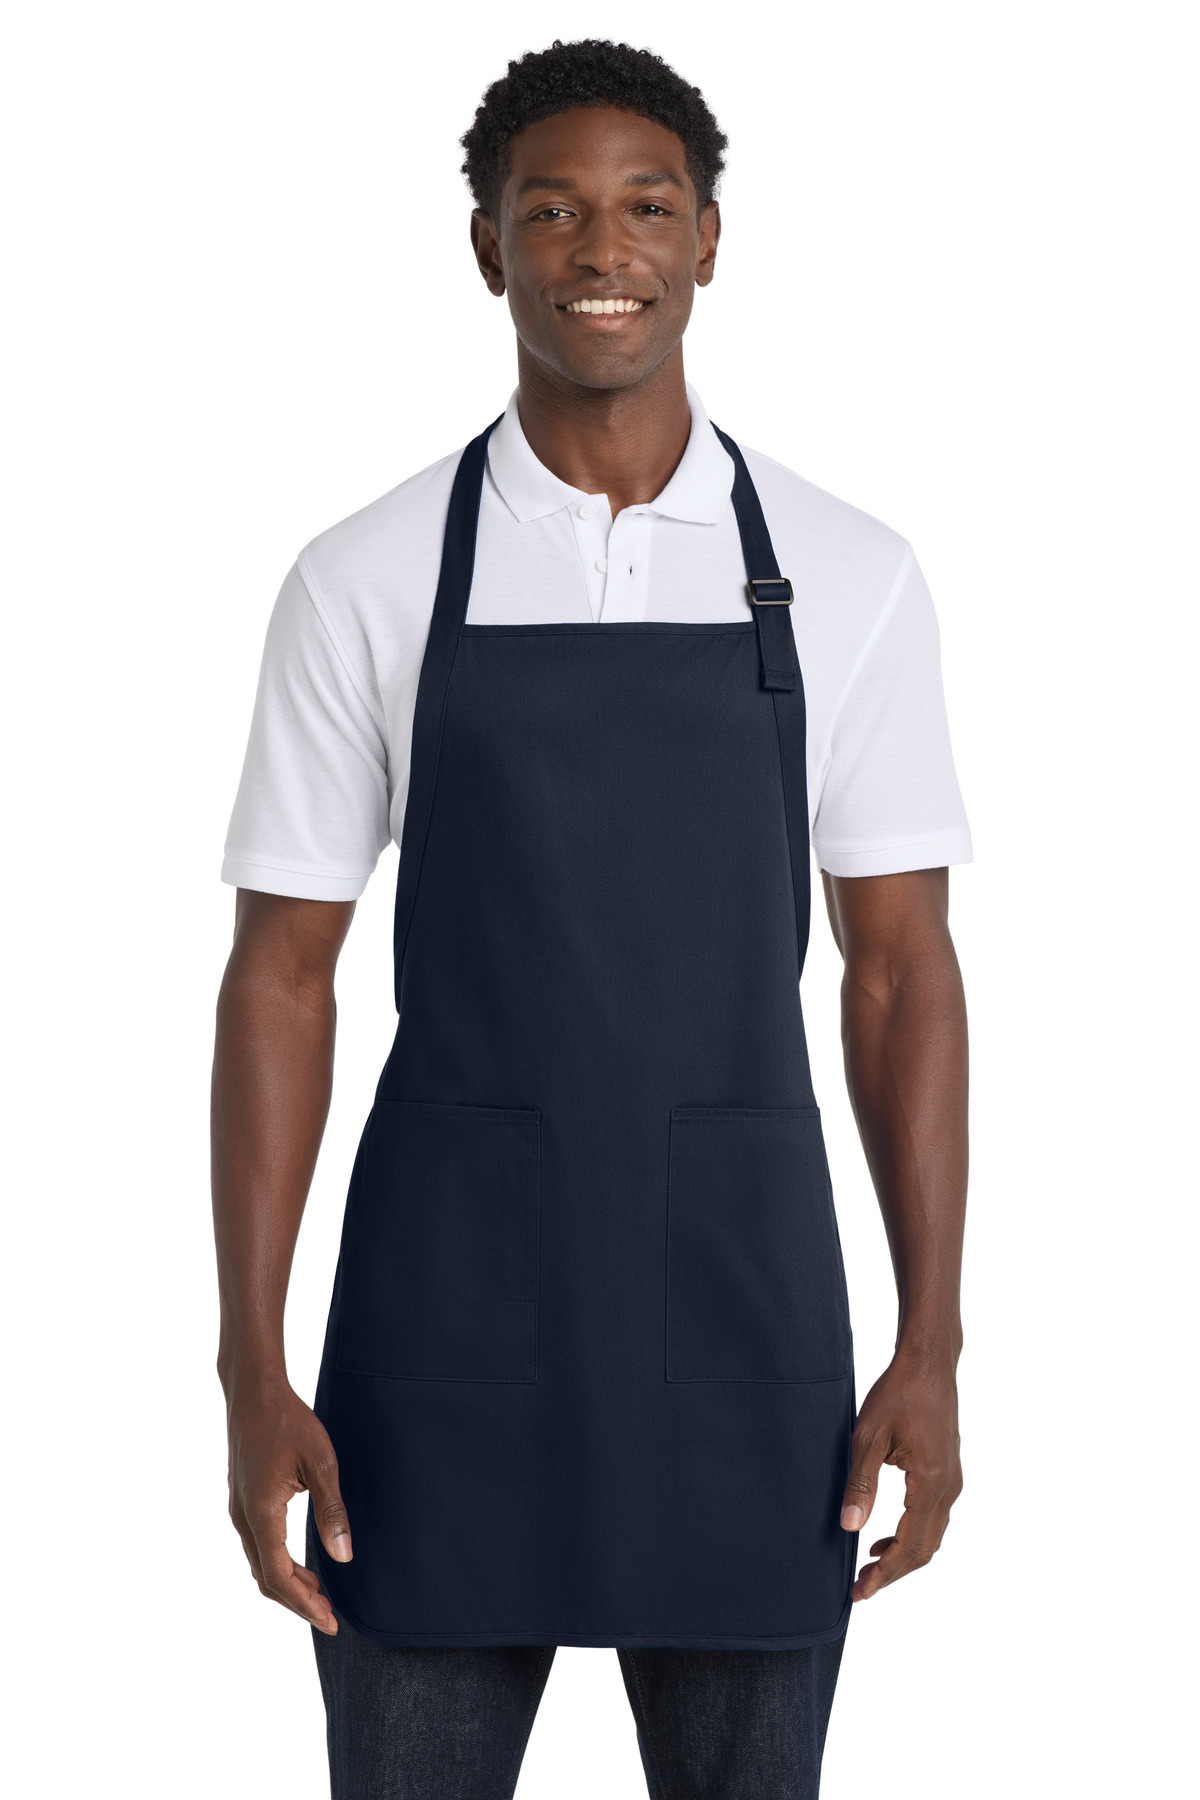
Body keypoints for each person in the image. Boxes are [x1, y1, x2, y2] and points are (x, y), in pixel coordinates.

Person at [211, 37, 971, 1800]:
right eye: (551, 211)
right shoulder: (366, 574)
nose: (602, 248)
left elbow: (900, 975)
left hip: (745, 1335)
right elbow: (280, 980)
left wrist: (931, 1341)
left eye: (646, 206)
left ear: (709, 240)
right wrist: (251, 1367)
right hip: (436, 1342)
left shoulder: (849, 574)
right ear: (489, 248)